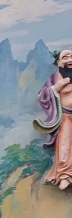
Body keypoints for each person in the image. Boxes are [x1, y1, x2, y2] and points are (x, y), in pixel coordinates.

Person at [36, 48, 72, 191]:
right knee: (64, 145)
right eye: (65, 57)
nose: (70, 60)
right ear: (58, 62)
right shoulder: (55, 77)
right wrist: (56, 87)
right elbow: (42, 95)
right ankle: (65, 176)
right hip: (65, 117)